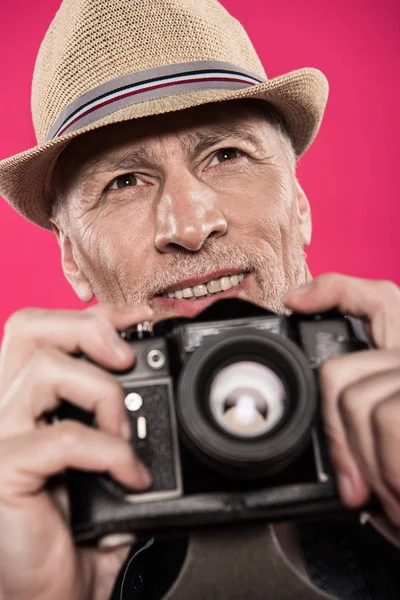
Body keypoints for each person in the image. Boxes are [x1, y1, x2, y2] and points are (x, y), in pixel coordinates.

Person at [0, 0, 399, 598]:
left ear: (299, 205)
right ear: (72, 258)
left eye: (227, 154)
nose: (190, 225)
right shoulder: (40, 501)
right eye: (124, 181)